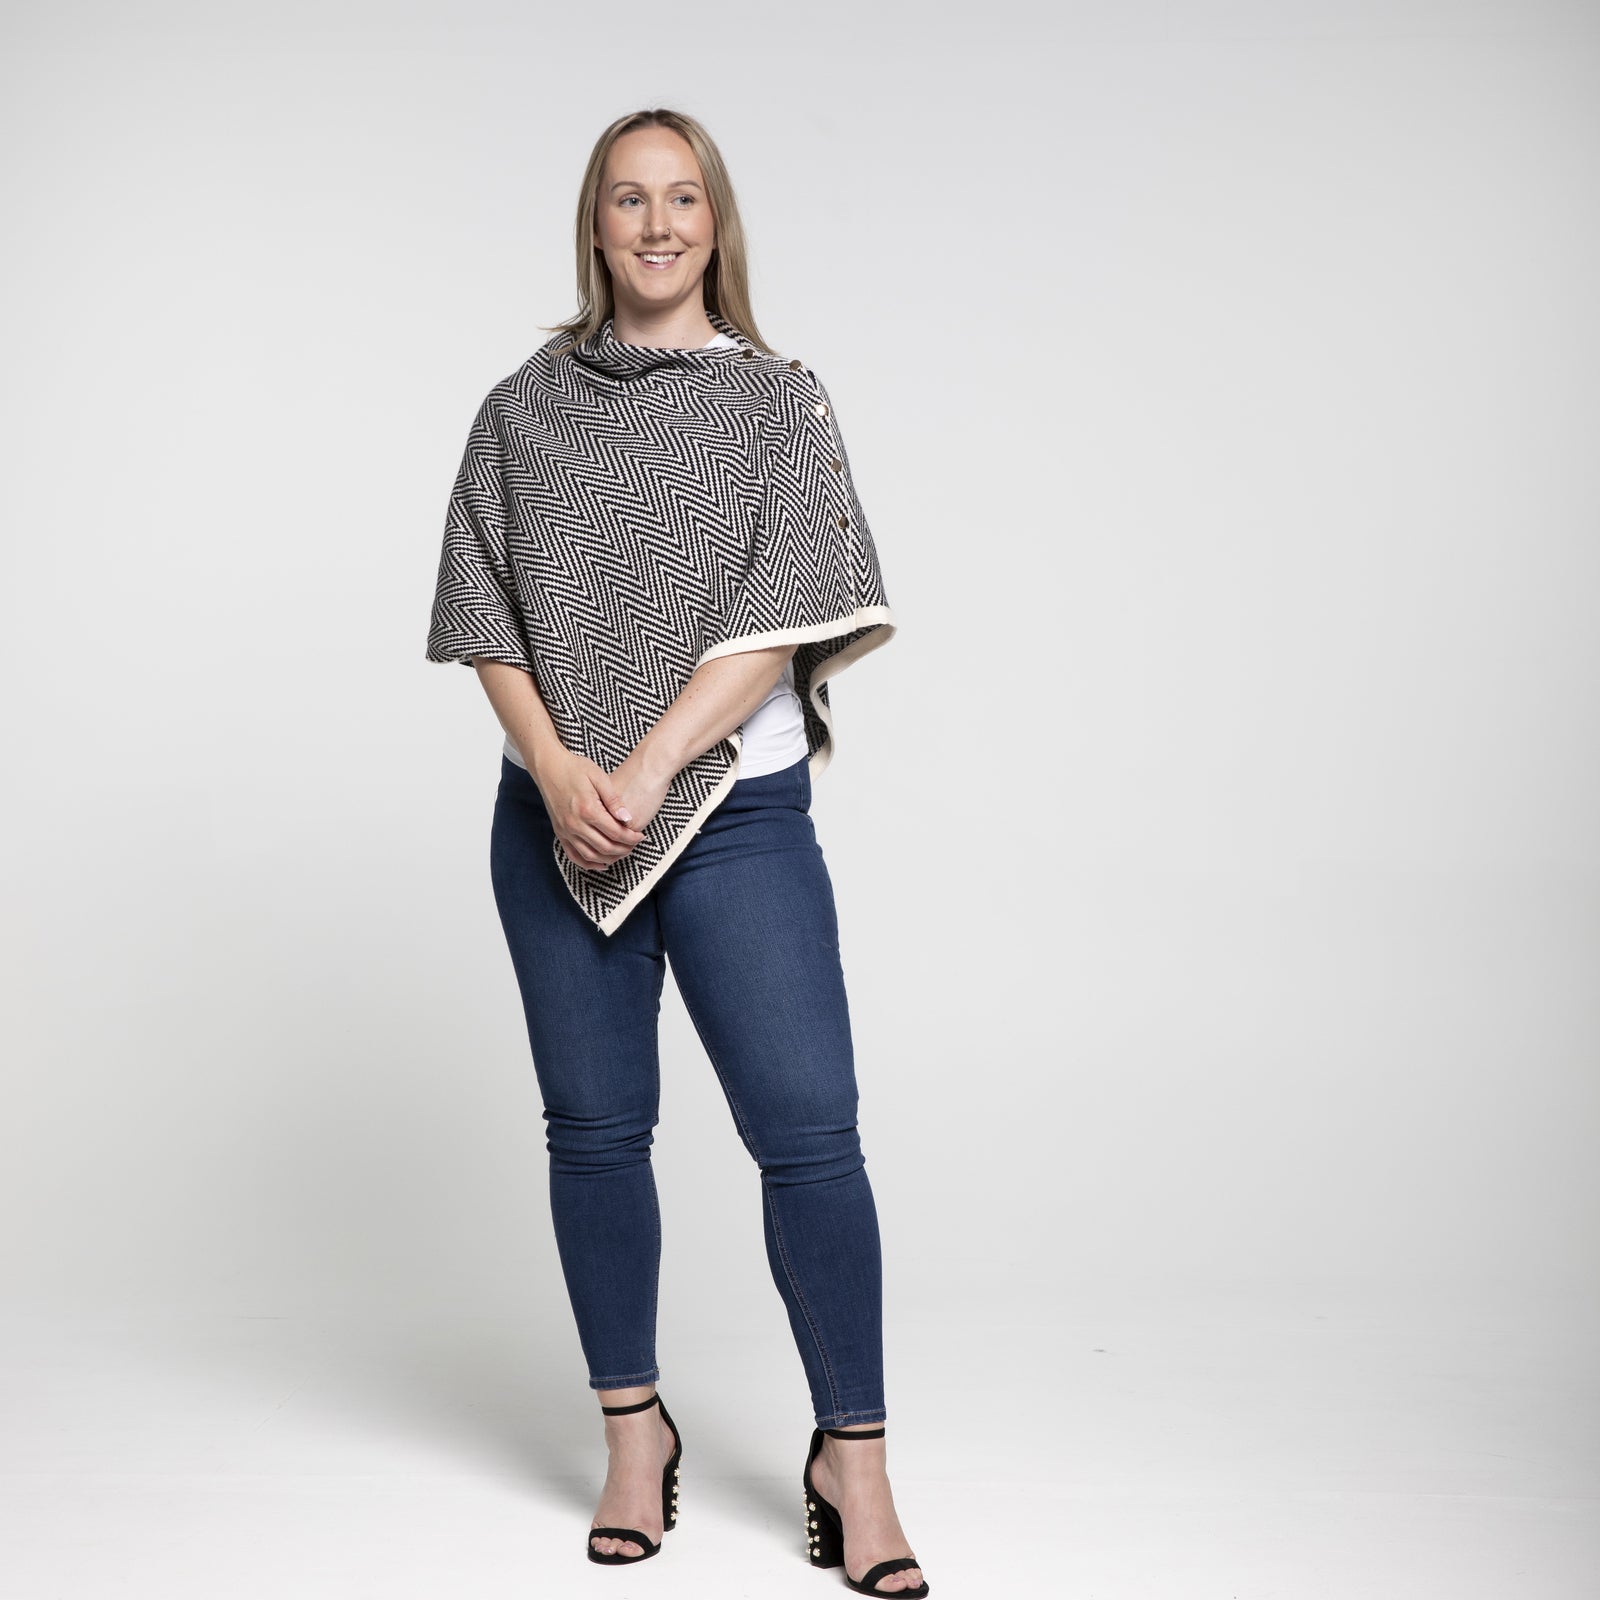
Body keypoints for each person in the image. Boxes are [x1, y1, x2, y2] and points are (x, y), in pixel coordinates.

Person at [425, 107, 928, 1598]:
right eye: (628, 199)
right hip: (554, 816)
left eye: (683, 198)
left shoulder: (776, 400)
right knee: (594, 1132)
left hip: (733, 816)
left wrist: (647, 762)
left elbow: (792, 608)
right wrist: (555, 767)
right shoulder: (521, 407)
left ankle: (855, 1461)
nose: (656, 225)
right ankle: (632, 1433)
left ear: (717, 223)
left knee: (809, 1133)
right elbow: (482, 608)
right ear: (595, 225)